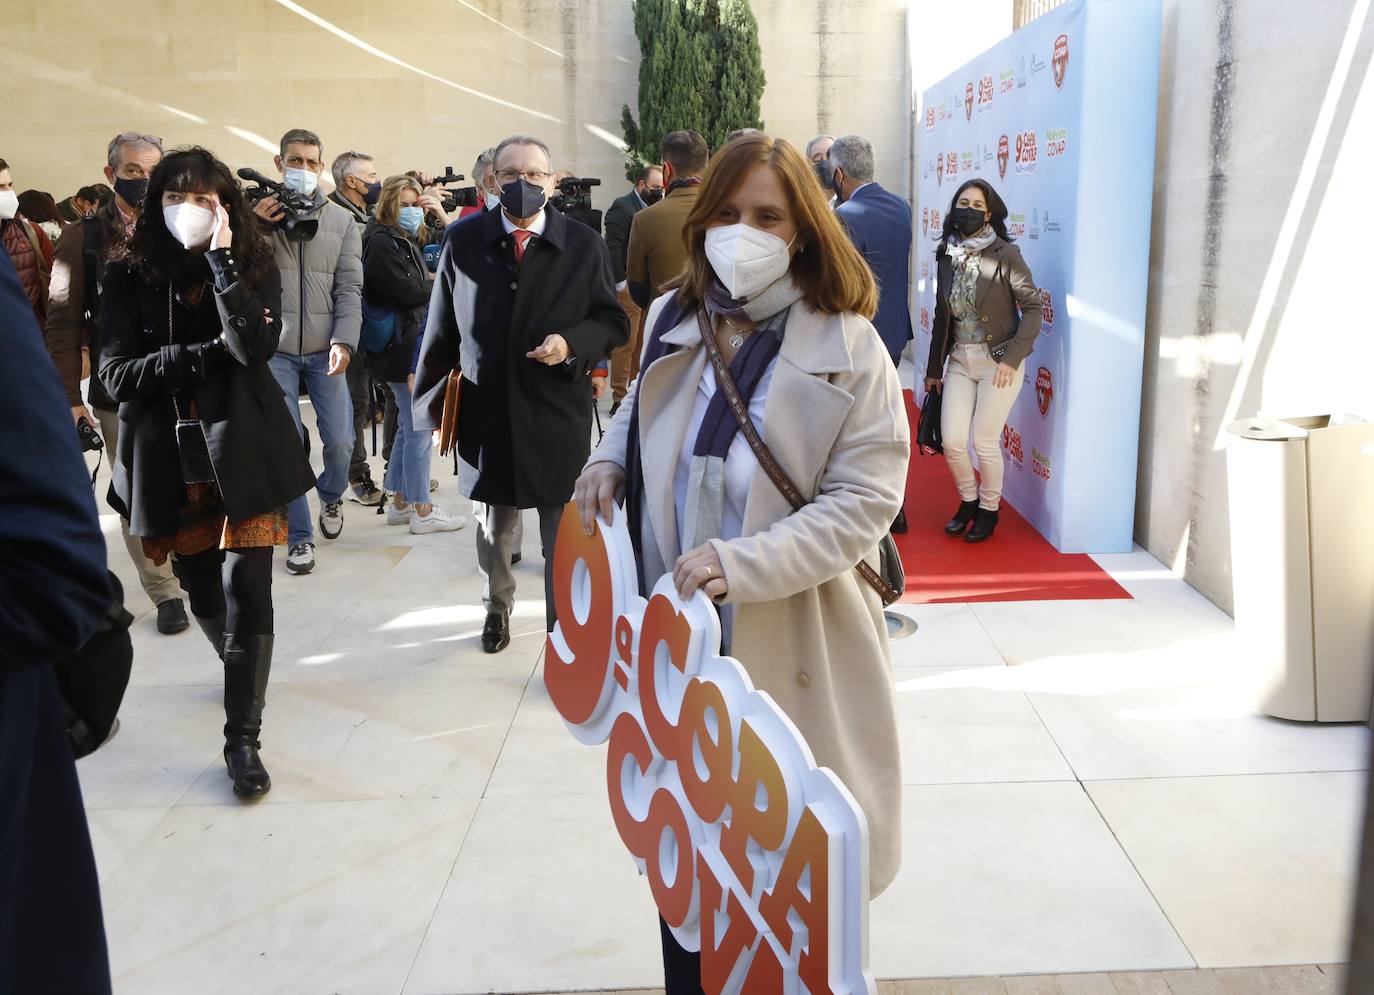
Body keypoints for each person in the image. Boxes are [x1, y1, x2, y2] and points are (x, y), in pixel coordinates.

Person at [574, 133, 906, 991]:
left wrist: (741, 562)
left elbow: (866, 502)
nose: (742, 231)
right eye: (725, 213)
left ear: (803, 226)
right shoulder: (678, 318)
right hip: (680, 658)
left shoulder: (850, 343)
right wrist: (610, 453)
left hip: (795, 644)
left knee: (787, 896)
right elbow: (643, 406)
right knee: (689, 883)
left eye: (766, 214)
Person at [99, 146, 314, 797]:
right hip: (168, 461)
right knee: (207, 597)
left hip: (244, 450)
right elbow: (113, 376)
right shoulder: (126, 275)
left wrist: (221, 262)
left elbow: (253, 347)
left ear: (225, 207)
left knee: (251, 593)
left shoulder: (251, 261)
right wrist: (201, 355)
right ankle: (235, 660)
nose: (186, 210)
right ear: (152, 204)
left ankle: (241, 739)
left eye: (201, 199)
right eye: (172, 197)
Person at [413, 134, 629, 652]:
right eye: (512, 174)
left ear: (553, 182)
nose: (523, 184)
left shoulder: (583, 243)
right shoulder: (464, 242)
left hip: (555, 407)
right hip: (488, 409)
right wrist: (431, 404)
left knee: (563, 527)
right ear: (492, 180)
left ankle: (562, 625)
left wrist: (570, 344)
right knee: (495, 526)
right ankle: (497, 607)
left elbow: (611, 320)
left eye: (535, 175)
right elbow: (441, 327)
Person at [0, 247, 115, 995]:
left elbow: (56, 570)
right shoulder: (85, 240)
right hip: (124, 394)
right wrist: (76, 388)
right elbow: (66, 313)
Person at [43, 131, 190, 634]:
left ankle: (192, 563)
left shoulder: (180, 223)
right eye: (132, 172)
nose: (143, 181)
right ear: (111, 176)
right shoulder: (82, 238)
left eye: (152, 171)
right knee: (136, 488)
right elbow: (62, 323)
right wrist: (69, 399)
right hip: (119, 388)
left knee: (191, 478)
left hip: (182, 376)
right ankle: (163, 587)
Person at [252, 128, 363, 576]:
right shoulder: (255, 215)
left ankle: (332, 496)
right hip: (273, 350)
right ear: (279, 164)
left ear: (322, 167)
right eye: (294, 161)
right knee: (288, 443)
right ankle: (299, 536)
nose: (303, 169)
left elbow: (350, 287)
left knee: (341, 441)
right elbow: (233, 267)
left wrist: (345, 340)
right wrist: (257, 227)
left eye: (311, 162)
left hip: (325, 349)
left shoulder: (342, 220)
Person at [923, 178, 1042, 544]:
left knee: (985, 441)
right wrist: (932, 370)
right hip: (959, 360)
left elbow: (1034, 308)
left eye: (978, 206)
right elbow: (943, 317)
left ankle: (990, 509)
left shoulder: (1007, 254)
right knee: (955, 442)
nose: (970, 210)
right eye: (964, 203)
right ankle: (969, 501)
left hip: (999, 363)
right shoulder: (946, 253)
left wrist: (1012, 360)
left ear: (989, 214)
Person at [364, 176, 465, 535]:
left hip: (403, 345)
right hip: (400, 348)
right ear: (389, 203)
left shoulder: (400, 238)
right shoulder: (380, 241)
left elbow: (448, 245)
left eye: (413, 204)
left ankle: (401, 502)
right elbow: (405, 290)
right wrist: (437, 281)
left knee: (409, 428)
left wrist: (437, 210)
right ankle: (423, 509)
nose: (409, 211)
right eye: (403, 205)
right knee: (421, 427)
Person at [326, 149, 389, 506]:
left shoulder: (368, 214)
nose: (376, 181)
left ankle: (394, 473)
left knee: (377, 400)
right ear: (352, 181)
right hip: (341, 327)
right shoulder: (332, 217)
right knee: (352, 405)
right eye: (371, 175)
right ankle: (356, 477)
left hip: (369, 321)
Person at [831, 135, 914, 366]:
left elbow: (840, 284)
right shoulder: (902, 207)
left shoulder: (843, 216)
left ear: (839, 174)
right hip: (894, 335)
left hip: (861, 341)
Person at [625, 130, 709, 312]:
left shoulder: (644, 219)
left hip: (663, 329)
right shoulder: (727, 213)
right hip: (719, 331)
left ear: (666, 170)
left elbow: (638, 291)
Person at [604, 165, 663, 414]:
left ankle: (634, 390)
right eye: (655, 188)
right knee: (626, 342)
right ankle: (619, 394)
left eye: (662, 188)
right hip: (627, 284)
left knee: (641, 341)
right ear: (641, 185)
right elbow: (613, 248)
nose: (659, 192)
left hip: (645, 286)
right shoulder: (623, 207)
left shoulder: (653, 208)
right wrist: (621, 284)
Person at [0, 157, 55, 334]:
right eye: (1, 187)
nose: (9, 193)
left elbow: (59, 289)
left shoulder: (30, 231)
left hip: (28, 335)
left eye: (9, 185)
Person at [806, 134, 836, 200]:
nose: (824, 164)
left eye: (830, 158)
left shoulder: (849, 200)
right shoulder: (803, 200)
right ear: (808, 164)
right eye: (818, 160)